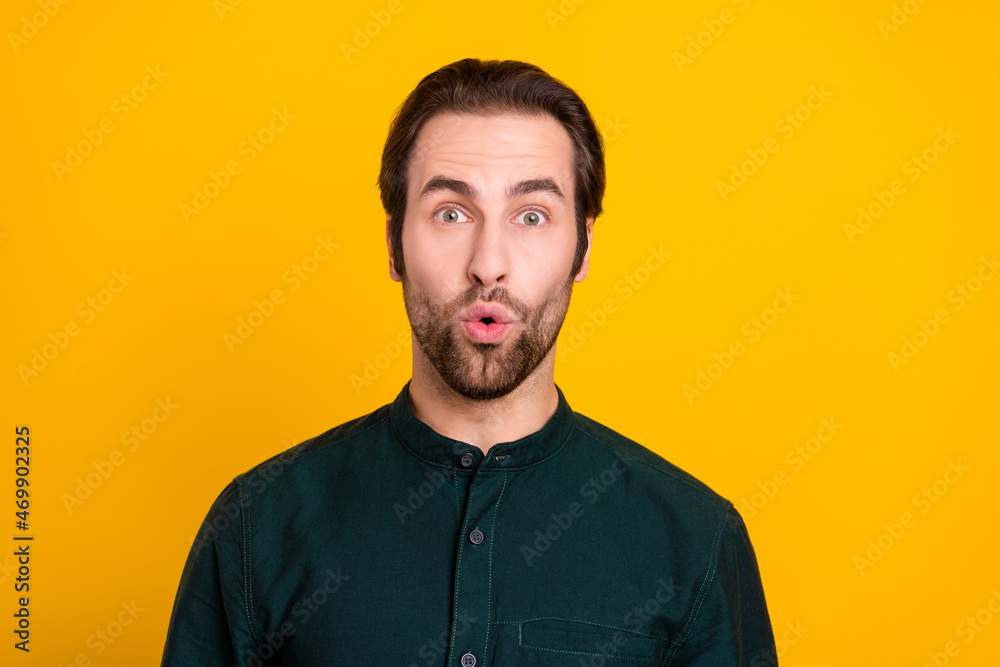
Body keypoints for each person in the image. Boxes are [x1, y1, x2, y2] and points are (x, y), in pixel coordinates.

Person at [161, 57, 777, 667]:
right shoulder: (256, 527)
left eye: (531, 216)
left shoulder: (694, 541)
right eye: (451, 213)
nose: (488, 262)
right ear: (395, 244)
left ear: (583, 247)